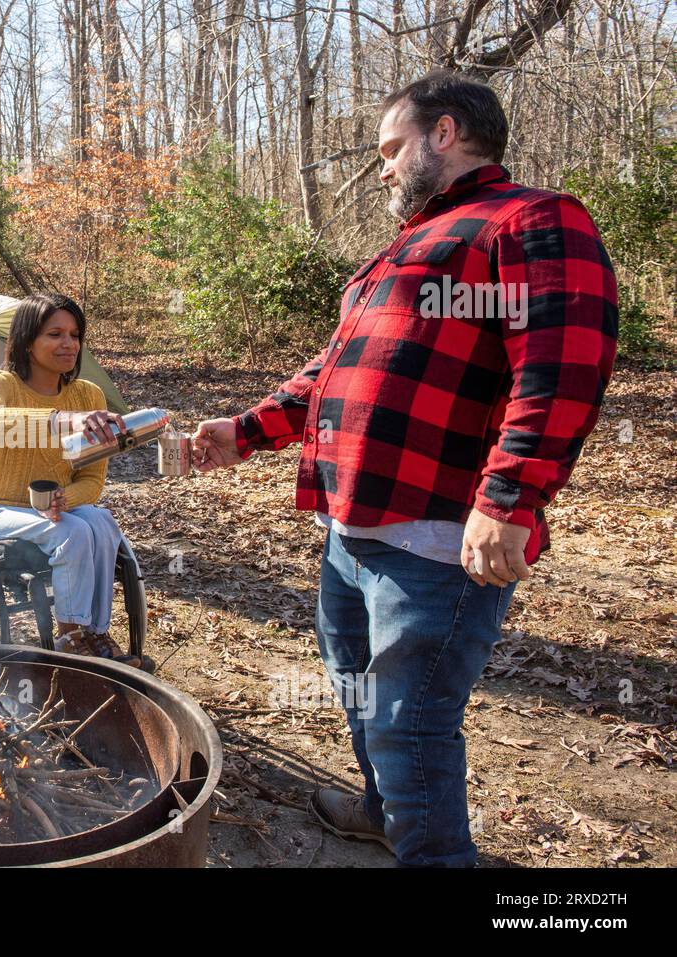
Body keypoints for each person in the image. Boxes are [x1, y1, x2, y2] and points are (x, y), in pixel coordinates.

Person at [192, 70, 617, 867]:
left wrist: (511, 497)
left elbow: (564, 365)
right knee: (359, 693)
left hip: (435, 538)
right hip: (350, 530)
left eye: (392, 148)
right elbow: (336, 369)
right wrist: (244, 430)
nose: (382, 167)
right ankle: (385, 810)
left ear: (444, 133)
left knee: (409, 722)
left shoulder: (530, 219)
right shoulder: (404, 248)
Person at [0, 292, 152, 671]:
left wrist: (64, 497)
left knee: (101, 521)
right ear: (27, 341)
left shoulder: (88, 394)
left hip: (52, 509)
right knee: (73, 533)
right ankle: (70, 637)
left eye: (74, 334)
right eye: (54, 334)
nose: (68, 343)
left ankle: (96, 633)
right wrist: (64, 421)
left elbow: (92, 479)